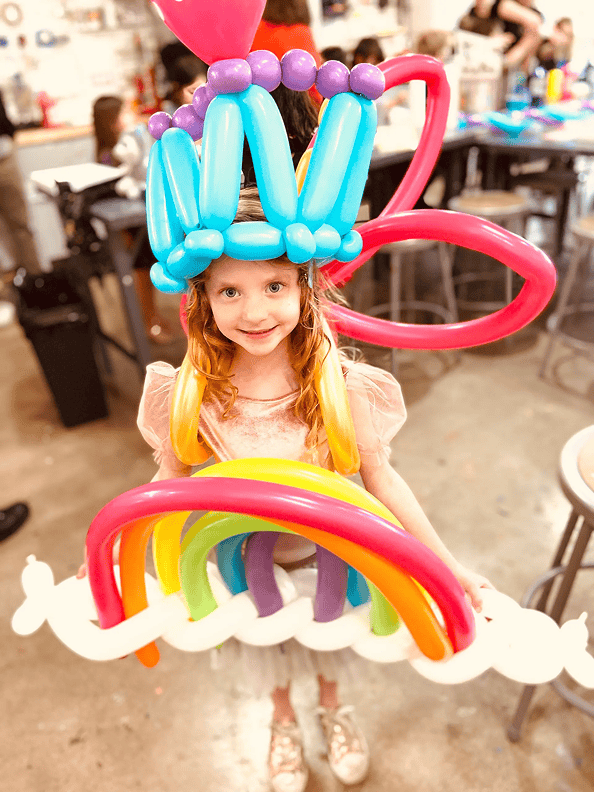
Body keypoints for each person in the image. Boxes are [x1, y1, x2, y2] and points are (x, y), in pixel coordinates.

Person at [135, 189, 493, 792]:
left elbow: (382, 481)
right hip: (243, 566)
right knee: (267, 652)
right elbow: (164, 489)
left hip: (333, 557)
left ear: (305, 288)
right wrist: (120, 584)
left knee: (329, 644)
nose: (255, 312)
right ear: (202, 300)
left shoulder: (340, 383)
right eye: (231, 291)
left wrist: (448, 568)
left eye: (274, 286)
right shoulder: (190, 392)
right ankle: (282, 722)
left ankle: (332, 709)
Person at [92, 96, 174, 344]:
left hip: (142, 216)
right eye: (125, 111)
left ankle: (153, 317)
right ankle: (150, 320)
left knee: (145, 269)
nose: (130, 115)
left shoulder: (126, 141)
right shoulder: (110, 154)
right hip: (132, 225)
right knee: (141, 271)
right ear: (113, 121)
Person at [0, 90, 42, 279]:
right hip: (5, 157)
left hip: (4, 159)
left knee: (20, 224)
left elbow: (5, 124)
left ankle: (35, 281)